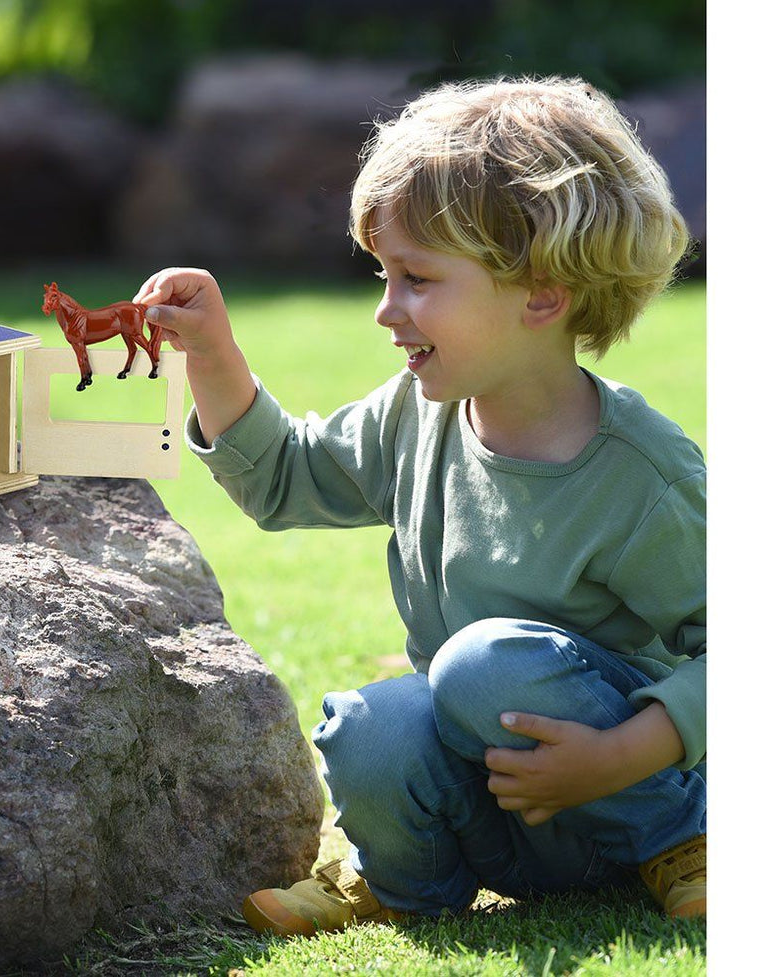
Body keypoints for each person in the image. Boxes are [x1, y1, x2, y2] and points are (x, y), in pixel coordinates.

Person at [131, 76, 705, 932]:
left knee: (482, 663)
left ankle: (688, 847)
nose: (384, 309)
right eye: (383, 274)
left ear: (542, 294)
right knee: (375, 722)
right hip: (502, 820)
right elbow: (284, 477)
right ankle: (399, 880)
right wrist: (211, 350)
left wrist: (620, 755)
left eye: (416, 278)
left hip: (619, 799)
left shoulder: (642, 475)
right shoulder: (418, 412)